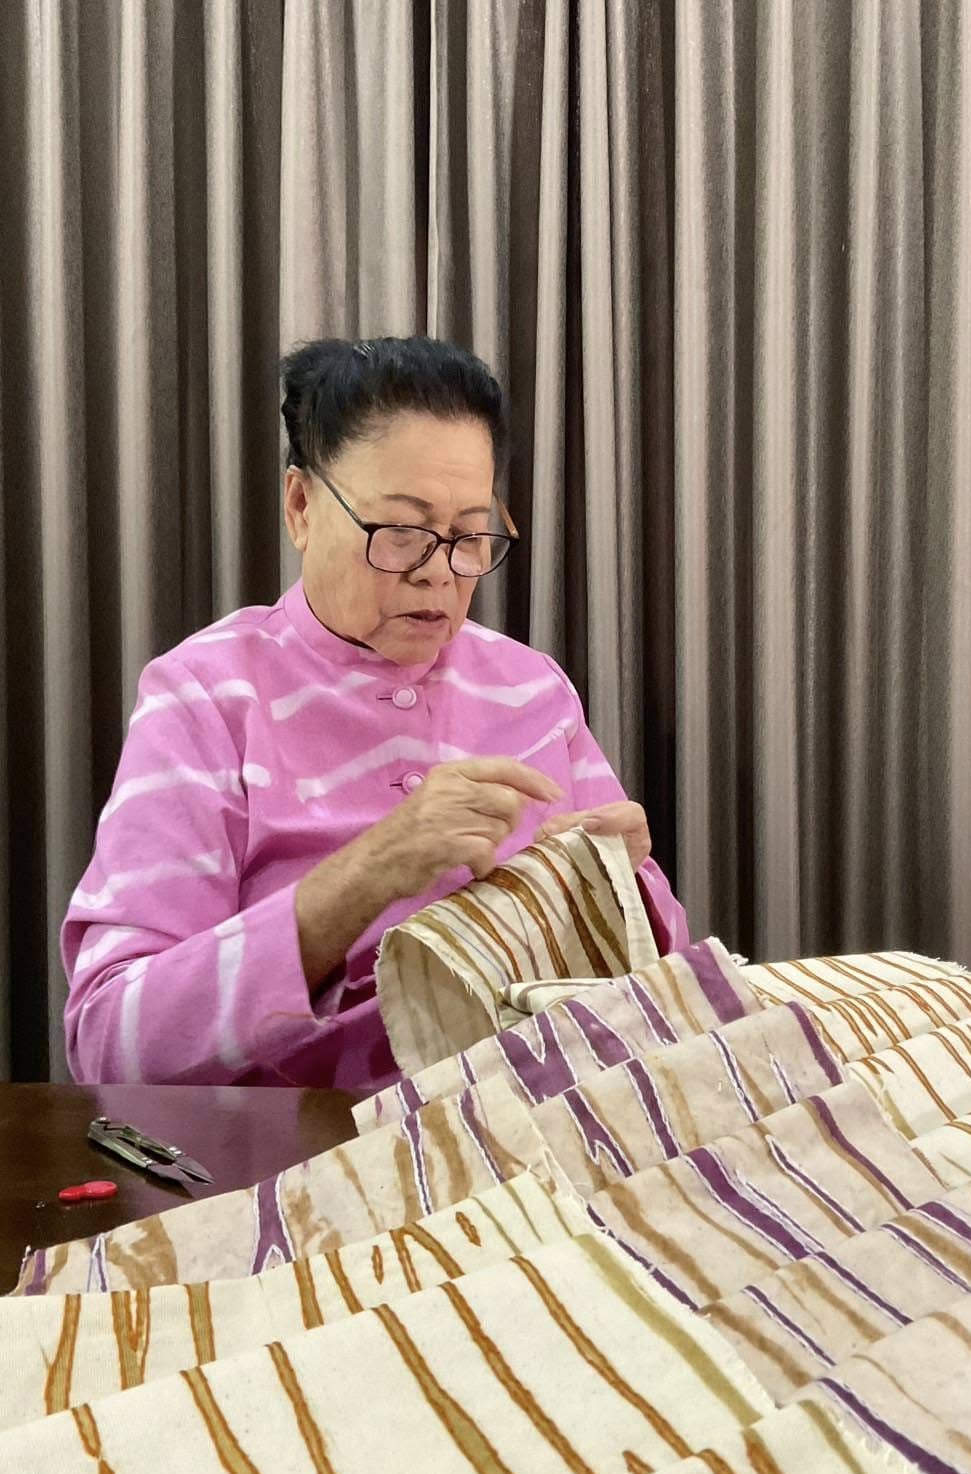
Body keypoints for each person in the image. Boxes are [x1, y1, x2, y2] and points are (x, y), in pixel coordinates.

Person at [62, 337, 688, 1089]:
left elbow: (661, 980)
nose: (439, 573)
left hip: (533, 1122)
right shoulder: (207, 696)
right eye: (400, 533)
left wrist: (626, 887)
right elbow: (111, 1041)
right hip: (310, 1138)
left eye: (468, 536)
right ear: (301, 506)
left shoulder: (532, 688)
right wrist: (370, 871)